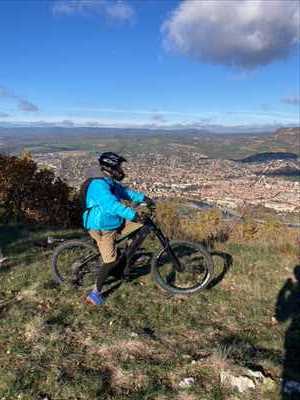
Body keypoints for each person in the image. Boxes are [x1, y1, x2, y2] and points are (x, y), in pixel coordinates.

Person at [83, 152, 154, 306]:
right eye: (118, 167)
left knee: (145, 225)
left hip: (114, 222)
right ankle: (95, 294)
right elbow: (111, 205)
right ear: (110, 168)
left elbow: (125, 192)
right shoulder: (98, 185)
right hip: (102, 227)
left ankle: (125, 260)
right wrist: (133, 215)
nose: (121, 170)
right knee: (110, 260)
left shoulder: (108, 181)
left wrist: (144, 199)